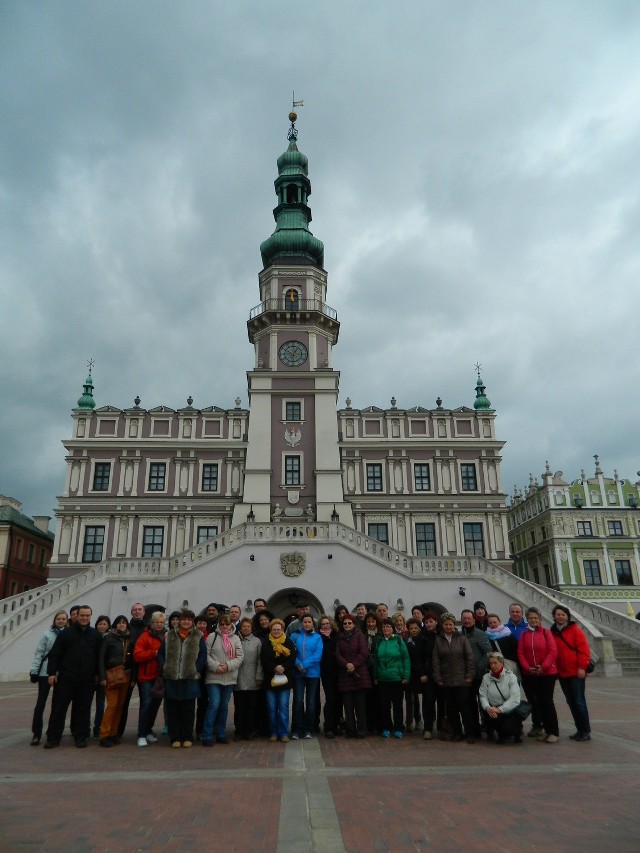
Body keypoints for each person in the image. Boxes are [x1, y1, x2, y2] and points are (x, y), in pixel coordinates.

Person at [45, 604, 101, 748]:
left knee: (83, 709)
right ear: (76, 616)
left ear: (90, 616)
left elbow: (98, 657)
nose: (84, 618)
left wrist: (98, 674)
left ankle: (80, 736)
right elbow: (55, 654)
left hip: (86, 680)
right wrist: (51, 673)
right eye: (82, 615)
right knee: (59, 708)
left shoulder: (95, 635)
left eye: (87, 615)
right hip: (66, 678)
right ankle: (53, 737)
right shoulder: (66, 633)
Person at [158, 609, 207, 748]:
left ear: (192, 622)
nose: (186, 622)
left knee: (188, 709)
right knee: (173, 709)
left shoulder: (198, 636)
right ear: (179, 620)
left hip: (189, 678)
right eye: (184, 619)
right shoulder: (170, 635)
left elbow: (203, 655)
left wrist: (196, 668)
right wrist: (165, 667)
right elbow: (161, 654)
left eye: (189, 620)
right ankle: (174, 737)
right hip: (172, 677)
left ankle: (187, 736)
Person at [550, 604, 592, 741]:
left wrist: (582, 667)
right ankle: (579, 729)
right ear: (554, 616)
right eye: (558, 614)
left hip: (576, 672)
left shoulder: (575, 630)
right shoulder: (553, 632)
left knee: (579, 701)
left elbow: (584, 651)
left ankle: (585, 730)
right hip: (562, 673)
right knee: (571, 702)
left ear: (567, 616)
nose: (560, 617)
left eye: (563, 614)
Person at [517, 607, 559, 743]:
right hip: (530, 674)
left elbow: (552, 651)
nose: (533, 620)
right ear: (527, 619)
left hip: (547, 673)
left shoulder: (546, 633)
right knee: (537, 703)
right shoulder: (524, 635)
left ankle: (553, 731)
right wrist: (527, 668)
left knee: (547, 701)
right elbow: (521, 653)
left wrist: (544, 666)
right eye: (530, 618)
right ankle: (543, 729)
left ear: (540, 619)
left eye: (535, 618)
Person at [432, 613, 475, 743]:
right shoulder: (439, 640)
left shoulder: (462, 639)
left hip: (462, 679)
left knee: (464, 707)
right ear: (442, 625)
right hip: (446, 679)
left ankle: (470, 733)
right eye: (446, 624)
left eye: (450, 624)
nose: (448, 626)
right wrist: (437, 677)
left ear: (454, 625)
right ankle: (457, 732)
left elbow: (469, 657)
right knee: (451, 709)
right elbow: (436, 660)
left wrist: (469, 674)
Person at [202, 613, 244, 745]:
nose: (225, 626)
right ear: (219, 625)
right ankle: (207, 734)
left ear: (231, 624)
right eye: (222, 624)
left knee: (224, 706)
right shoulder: (212, 636)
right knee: (214, 704)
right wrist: (216, 666)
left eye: (227, 624)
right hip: (214, 676)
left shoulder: (236, 638)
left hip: (229, 676)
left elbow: (240, 656)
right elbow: (206, 654)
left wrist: (228, 666)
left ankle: (221, 733)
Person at [29, 610, 68, 746]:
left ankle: (53, 731)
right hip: (45, 672)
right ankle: (36, 733)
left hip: (61, 673)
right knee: (40, 704)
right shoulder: (47, 634)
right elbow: (39, 653)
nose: (61, 621)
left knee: (57, 705)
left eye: (63, 619)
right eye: (59, 619)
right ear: (54, 620)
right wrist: (34, 671)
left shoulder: (68, 635)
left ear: (67, 621)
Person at [98, 615, 133, 746]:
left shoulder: (129, 639)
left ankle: (113, 732)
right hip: (111, 674)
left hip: (126, 675)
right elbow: (101, 658)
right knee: (112, 705)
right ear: (115, 625)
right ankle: (104, 734)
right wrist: (102, 677)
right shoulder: (108, 638)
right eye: (119, 623)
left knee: (120, 706)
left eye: (124, 623)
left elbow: (133, 659)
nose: (122, 625)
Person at [133, 610, 167, 747]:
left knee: (155, 705)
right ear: (152, 623)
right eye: (156, 622)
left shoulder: (166, 636)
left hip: (160, 676)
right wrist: (153, 653)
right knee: (146, 705)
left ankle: (148, 731)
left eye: (161, 622)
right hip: (147, 676)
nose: (159, 624)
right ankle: (141, 734)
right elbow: (137, 655)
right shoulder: (145, 637)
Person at [372, 618, 410, 738]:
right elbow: (376, 660)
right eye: (383, 627)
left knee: (397, 705)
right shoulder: (379, 641)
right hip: (383, 678)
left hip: (396, 678)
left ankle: (399, 728)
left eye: (388, 626)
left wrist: (406, 675)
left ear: (392, 628)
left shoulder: (398, 640)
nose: (385, 628)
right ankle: (387, 727)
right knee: (385, 705)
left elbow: (405, 658)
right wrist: (375, 675)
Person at [261, 619, 297, 742]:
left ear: (282, 630)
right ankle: (274, 731)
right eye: (274, 629)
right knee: (271, 707)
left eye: (279, 629)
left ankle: (283, 732)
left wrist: (283, 667)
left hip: (284, 680)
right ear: (271, 630)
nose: (276, 631)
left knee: (283, 706)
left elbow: (292, 658)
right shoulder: (266, 642)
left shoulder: (288, 642)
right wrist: (274, 667)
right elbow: (264, 659)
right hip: (270, 679)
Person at [336, 613, 371, 738]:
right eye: (345, 623)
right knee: (348, 705)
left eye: (349, 623)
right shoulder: (340, 637)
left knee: (360, 706)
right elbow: (338, 654)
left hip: (359, 674)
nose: (347, 625)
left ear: (353, 624)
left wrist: (354, 664)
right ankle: (350, 730)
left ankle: (361, 730)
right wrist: (346, 664)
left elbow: (364, 652)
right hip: (345, 675)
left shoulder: (359, 635)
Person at [479, 652, 523, 744]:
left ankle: (515, 731)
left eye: (495, 663)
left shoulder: (511, 677)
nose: (493, 665)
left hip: (508, 709)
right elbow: (482, 696)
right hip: (493, 708)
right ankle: (492, 731)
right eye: (491, 663)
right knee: (489, 714)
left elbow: (515, 699)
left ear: (501, 663)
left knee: (508, 730)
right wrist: (488, 708)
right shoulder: (486, 678)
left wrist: (500, 709)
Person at [460, 609, 491, 738]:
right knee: (470, 703)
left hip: (479, 675)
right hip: (466, 675)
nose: (467, 620)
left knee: (483, 703)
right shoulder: (460, 634)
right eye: (464, 618)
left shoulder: (480, 634)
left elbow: (488, 653)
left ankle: (488, 727)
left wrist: (477, 668)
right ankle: (474, 729)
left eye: (469, 618)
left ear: (473, 620)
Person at [291, 614, 323, 739]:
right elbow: (291, 652)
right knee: (298, 701)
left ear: (312, 623)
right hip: (298, 674)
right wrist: (298, 664)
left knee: (311, 703)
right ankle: (296, 729)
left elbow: (317, 655)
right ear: (302, 623)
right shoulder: (294, 636)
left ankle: (308, 729)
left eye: (309, 622)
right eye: (305, 622)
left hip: (313, 673)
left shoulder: (317, 637)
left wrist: (304, 665)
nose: (307, 624)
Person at [234, 617, 264, 740]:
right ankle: (239, 731)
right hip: (238, 677)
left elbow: (260, 661)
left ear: (251, 628)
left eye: (248, 626)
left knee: (251, 707)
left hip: (252, 676)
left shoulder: (257, 641)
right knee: (239, 706)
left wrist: (259, 677)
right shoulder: (235, 639)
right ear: (240, 628)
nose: (246, 628)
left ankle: (249, 730)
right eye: (243, 626)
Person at [421, 611, 444, 739]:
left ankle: (441, 727)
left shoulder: (442, 635)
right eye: (426, 622)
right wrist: (422, 673)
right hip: (428, 674)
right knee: (428, 702)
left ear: (436, 622)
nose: (429, 624)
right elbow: (419, 656)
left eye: (431, 621)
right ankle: (428, 728)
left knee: (442, 702)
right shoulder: (423, 636)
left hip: (442, 673)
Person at [317, 614, 340, 738]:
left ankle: (336, 725)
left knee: (338, 699)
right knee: (330, 699)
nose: (325, 625)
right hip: (326, 672)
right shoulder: (318, 637)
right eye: (323, 624)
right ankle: (328, 727)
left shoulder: (337, 636)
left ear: (331, 624)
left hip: (338, 671)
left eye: (327, 623)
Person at [91, 615, 110, 737]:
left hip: (103, 676)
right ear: (96, 625)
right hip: (90, 675)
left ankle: (98, 727)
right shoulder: (92, 637)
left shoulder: (110, 638)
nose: (102, 626)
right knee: (85, 703)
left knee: (101, 704)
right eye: (100, 624)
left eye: (105, 624)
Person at [362, 611, 381, 734]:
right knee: (367, 698)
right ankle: (368, 724)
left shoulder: (379, 635)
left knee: (378, 698)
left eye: (373, 621)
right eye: (368, 622)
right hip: (365, 669)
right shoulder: (362, 635)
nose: (370, 624)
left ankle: (378, 724)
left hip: (378, 668)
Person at [486, 614, 520, 679]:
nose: (493, 624)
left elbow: (516, 650)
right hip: (496, 668)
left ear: (499, 622)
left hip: (510, 665)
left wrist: (505, 660)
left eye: (494, 622)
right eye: (490, 623)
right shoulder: (487, 637)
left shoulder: (508, 634)